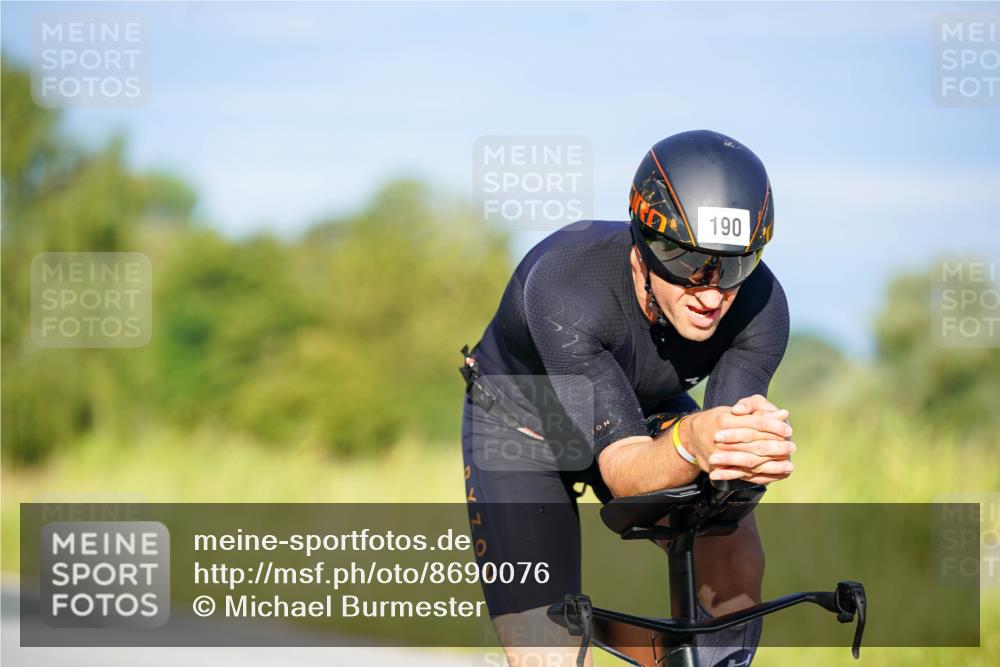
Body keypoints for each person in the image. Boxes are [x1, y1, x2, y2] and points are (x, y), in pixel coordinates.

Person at [461, 129, 795, 667]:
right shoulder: (568, 282)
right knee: (547, 649)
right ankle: (572, 633)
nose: (711, 292)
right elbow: (622, 468)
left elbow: (719, 470)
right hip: (523, 422)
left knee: (731, 548)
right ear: (644, 249)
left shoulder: (760, 306)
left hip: (643, 409)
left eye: (733, 265)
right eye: (689, 264)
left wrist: (747, 455)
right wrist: (694, 439)